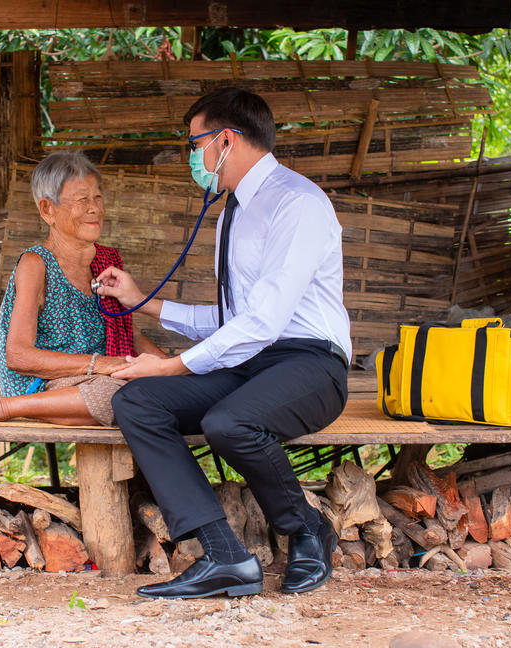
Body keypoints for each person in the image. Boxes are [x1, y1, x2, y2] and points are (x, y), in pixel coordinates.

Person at [96, 87, 351, 599]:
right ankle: (225, 556)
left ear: (227, 140)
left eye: (196, 144)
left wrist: (171, 366)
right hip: (252, 359)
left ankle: (306, 527)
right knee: (137, 403)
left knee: (229, 423)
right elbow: (236, 319)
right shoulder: (234, 209)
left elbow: (267, 320)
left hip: (311, 363)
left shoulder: (297, 203)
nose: (194, 156)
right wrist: (144, 302)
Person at [0, 151, 165, 428]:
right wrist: (101, 364)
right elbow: (18, 356)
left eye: (98, 197)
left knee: (157, 391)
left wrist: (172, 368)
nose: (95, 208)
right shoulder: (35, 264)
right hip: (44, 385)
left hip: (94, 379)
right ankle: (1, 407)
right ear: (47, 210)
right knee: (120, 395)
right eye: (82, 200)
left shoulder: (105, 263)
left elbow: (127, 334)